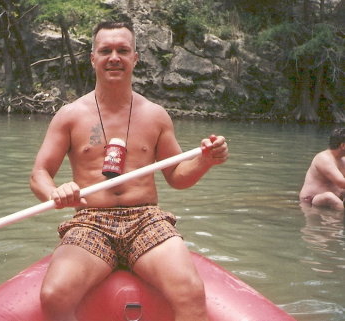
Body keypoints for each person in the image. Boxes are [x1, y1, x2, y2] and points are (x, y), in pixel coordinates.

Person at [30, 21, 229, 321]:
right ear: (92, 58)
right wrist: (54, 192)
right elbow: (40, 173)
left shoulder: (155, 115)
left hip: (146, 219)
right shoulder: (70, 115)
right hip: (90, 221)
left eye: (123, 50)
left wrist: (206, 161)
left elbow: (176, 177)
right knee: (54, 295)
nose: (114, 57)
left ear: (135, 58)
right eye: (105, 50)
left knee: (190, 291)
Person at [299, 127, 345, 211]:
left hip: (337, 197)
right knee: (329, 197)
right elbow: (341, 183)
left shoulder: (343, 160)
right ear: (343, 145)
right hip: (312, 201)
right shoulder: (323, 158)